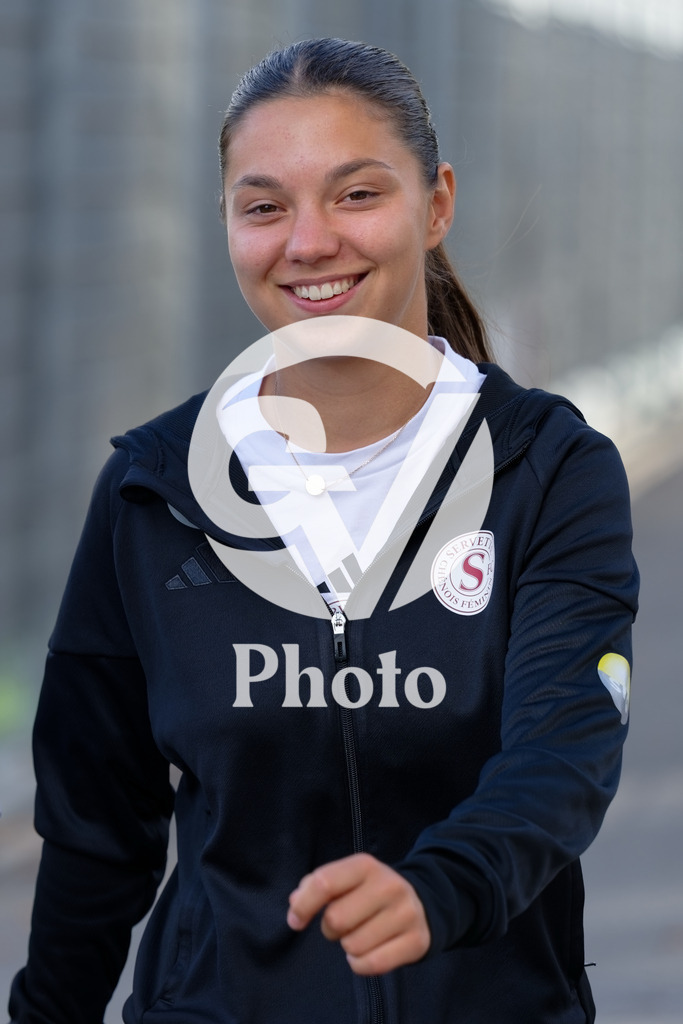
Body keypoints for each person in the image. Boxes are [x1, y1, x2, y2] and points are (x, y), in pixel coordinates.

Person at [9, 37, 638, 1024]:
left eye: (355, 194)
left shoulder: (546, 470)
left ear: (434, 205)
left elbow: (561, 751)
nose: (307, 242)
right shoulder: (151, 491)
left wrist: (441, 886)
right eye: (264, 206)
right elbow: (96, 830)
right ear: (225, 223)